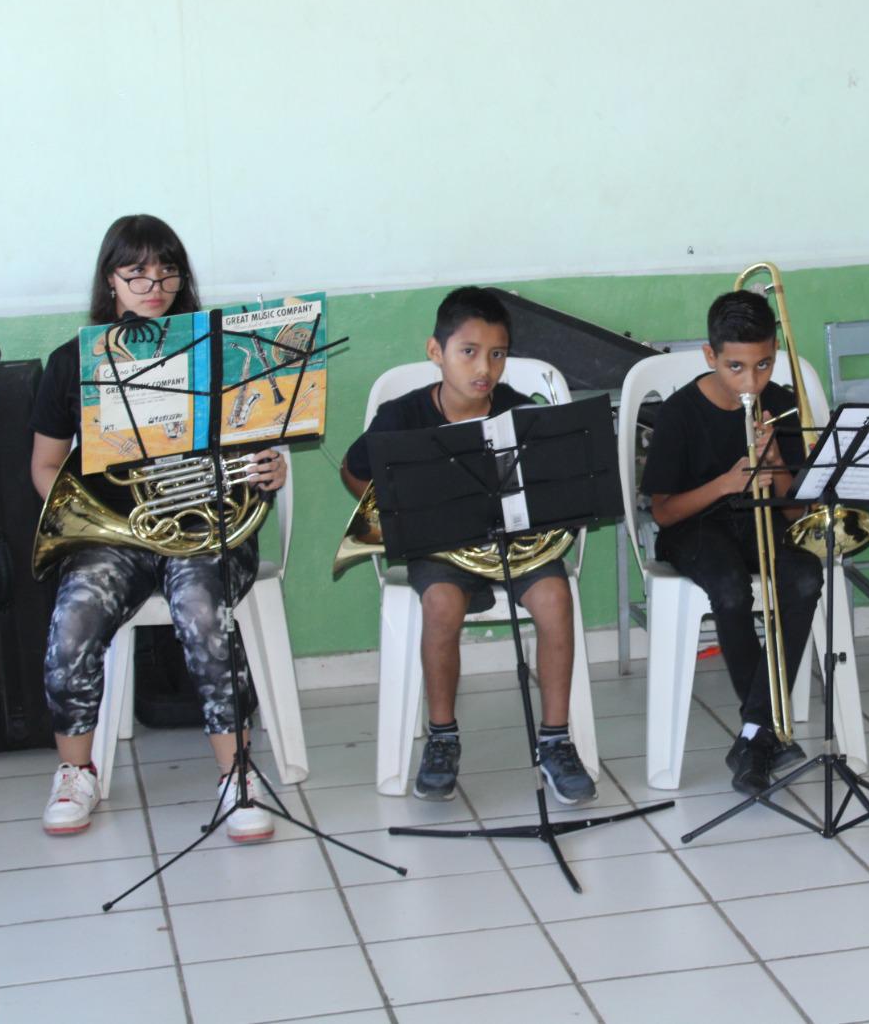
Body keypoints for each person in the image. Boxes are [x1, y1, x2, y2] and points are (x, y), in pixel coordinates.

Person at [31, 214, 289, 838]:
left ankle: (238, 774)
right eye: (136, 270)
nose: (154, 282)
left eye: (167, 268)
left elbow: (258, 444)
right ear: (110, 280)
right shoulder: (74, 362)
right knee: (74, 619)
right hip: (117, 536)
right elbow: (44, 466)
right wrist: (98, 522)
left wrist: (270, 466)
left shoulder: (219, 353)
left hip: (207, 527)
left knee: (201, 606)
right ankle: (75, 773)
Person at [341, 286, 595, 804]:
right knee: (440, 603)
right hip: (439, 547)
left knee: (555, 598)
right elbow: (354, 470)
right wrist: (391, 505)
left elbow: (550, 482)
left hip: (513, 543)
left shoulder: (518, 413)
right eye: (469, 352)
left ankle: (555, 740)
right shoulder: (401, 416)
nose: (485, 368)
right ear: (436, 352)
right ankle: (442, 737)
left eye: (497, 354)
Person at [640, 289, 824, 794]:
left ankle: (753, 734)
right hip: (695, 528)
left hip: (763, 521)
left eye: (763, 365)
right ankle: (763, 728)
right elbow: (663, 511)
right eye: (736, 367)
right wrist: (727, 482)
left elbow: (794, 508)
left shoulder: (780, 405)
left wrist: (777, 464)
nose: (751, 381)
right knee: (727, 588)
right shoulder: (680, 413)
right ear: (710, 357)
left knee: (806, 576)